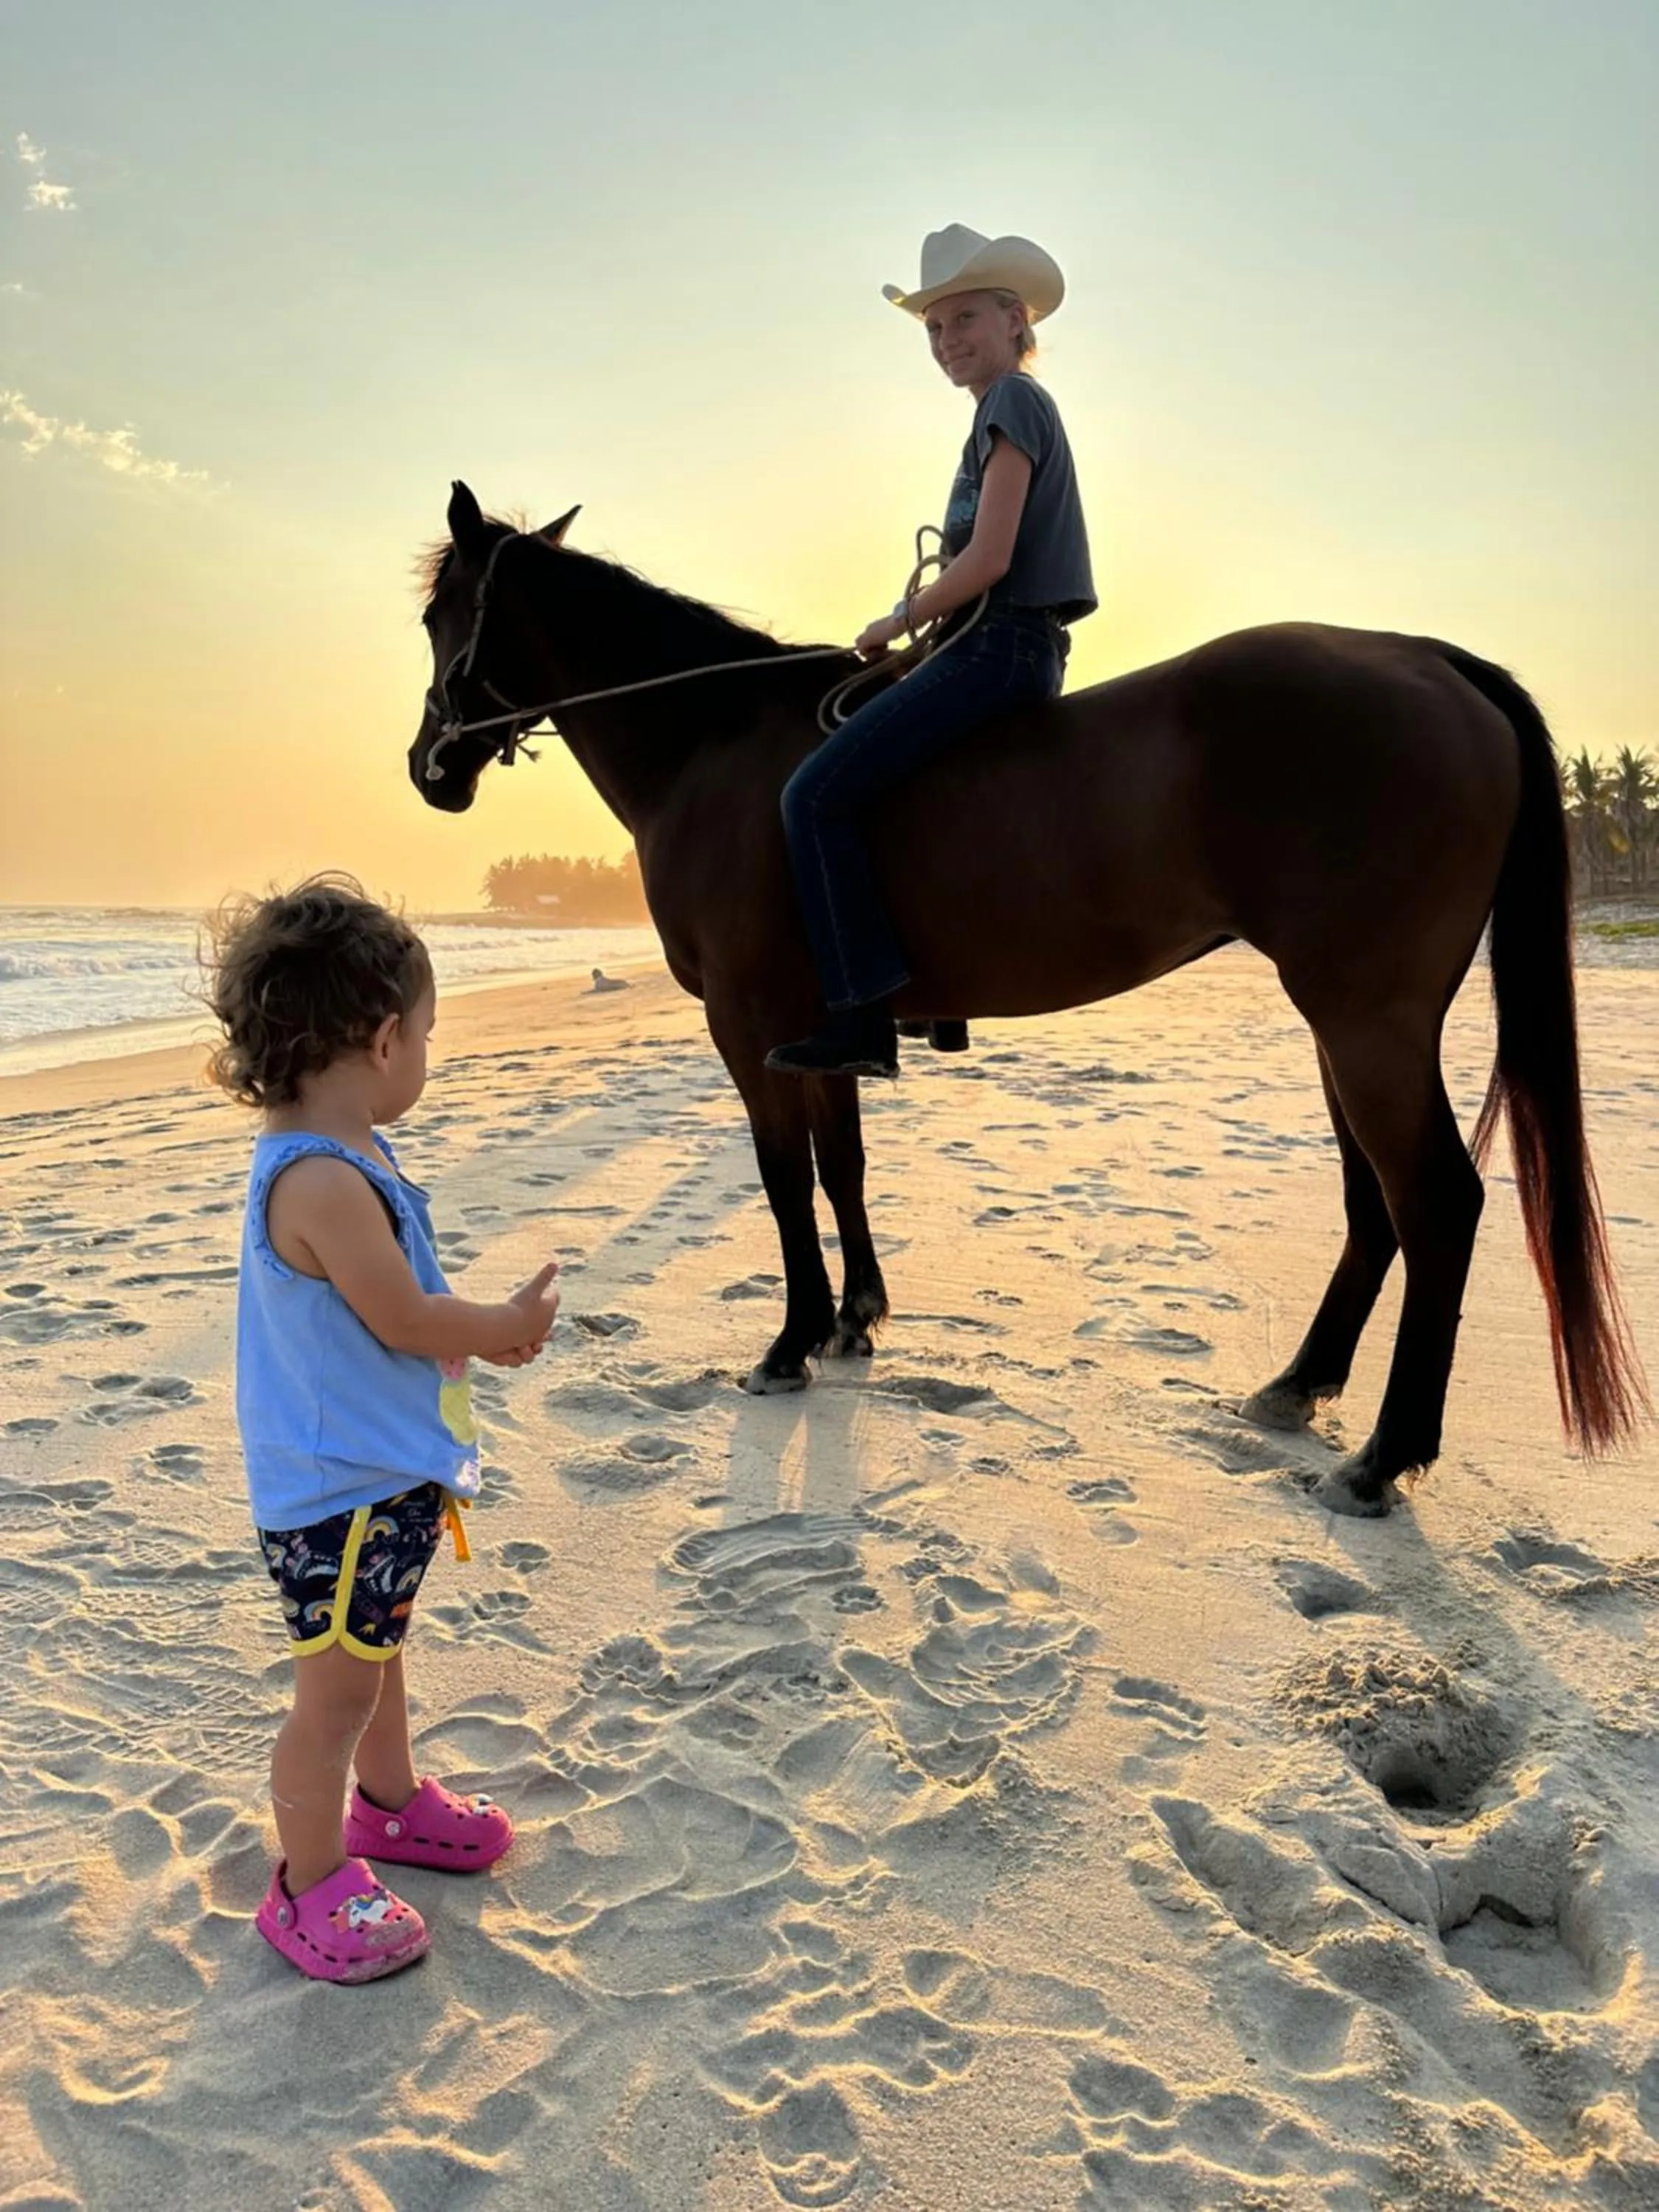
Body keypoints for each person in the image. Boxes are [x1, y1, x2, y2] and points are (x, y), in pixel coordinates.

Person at [205, 877, 562, 1983]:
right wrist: (501, 1325)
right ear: (382, 1035)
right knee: (337, 1692)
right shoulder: (317, 1180)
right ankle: (306, 1884)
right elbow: (401, 1315)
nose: (425, 1059)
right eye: (427, 1038)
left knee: (375, 1652)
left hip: (376, 1475)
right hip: (339, 1491)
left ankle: (392, 1809)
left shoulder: (341, 1157)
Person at [767, 225, 1096, 1079]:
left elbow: (988, 560)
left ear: (1015, 319)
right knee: (878, 767)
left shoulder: (1013, 403)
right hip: (995, 641)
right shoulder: (999, 411)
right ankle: (940, 999)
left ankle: (862, 1013)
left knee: (812, 796)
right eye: (934, 330)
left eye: (965, 320)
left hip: (1001, 645)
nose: (949, 342)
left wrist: (896, 621)